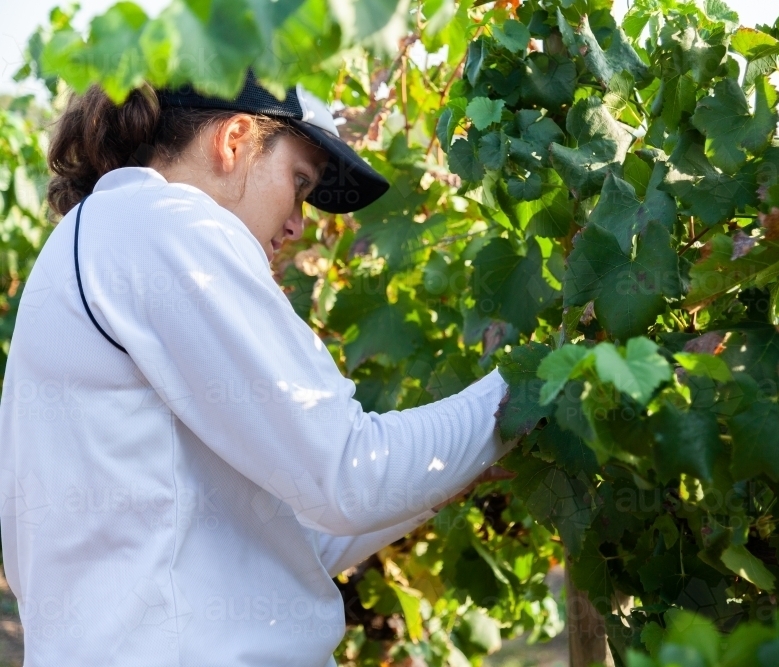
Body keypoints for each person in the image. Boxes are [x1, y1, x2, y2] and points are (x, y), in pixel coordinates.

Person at [0, 72, 519, 666]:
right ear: (235, 140)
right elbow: (348, 475)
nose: (299, 224)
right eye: (299, 182)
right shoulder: (166, 224)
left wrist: (463, 459)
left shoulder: (97, 237)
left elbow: (291, 536)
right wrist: (530, 385)